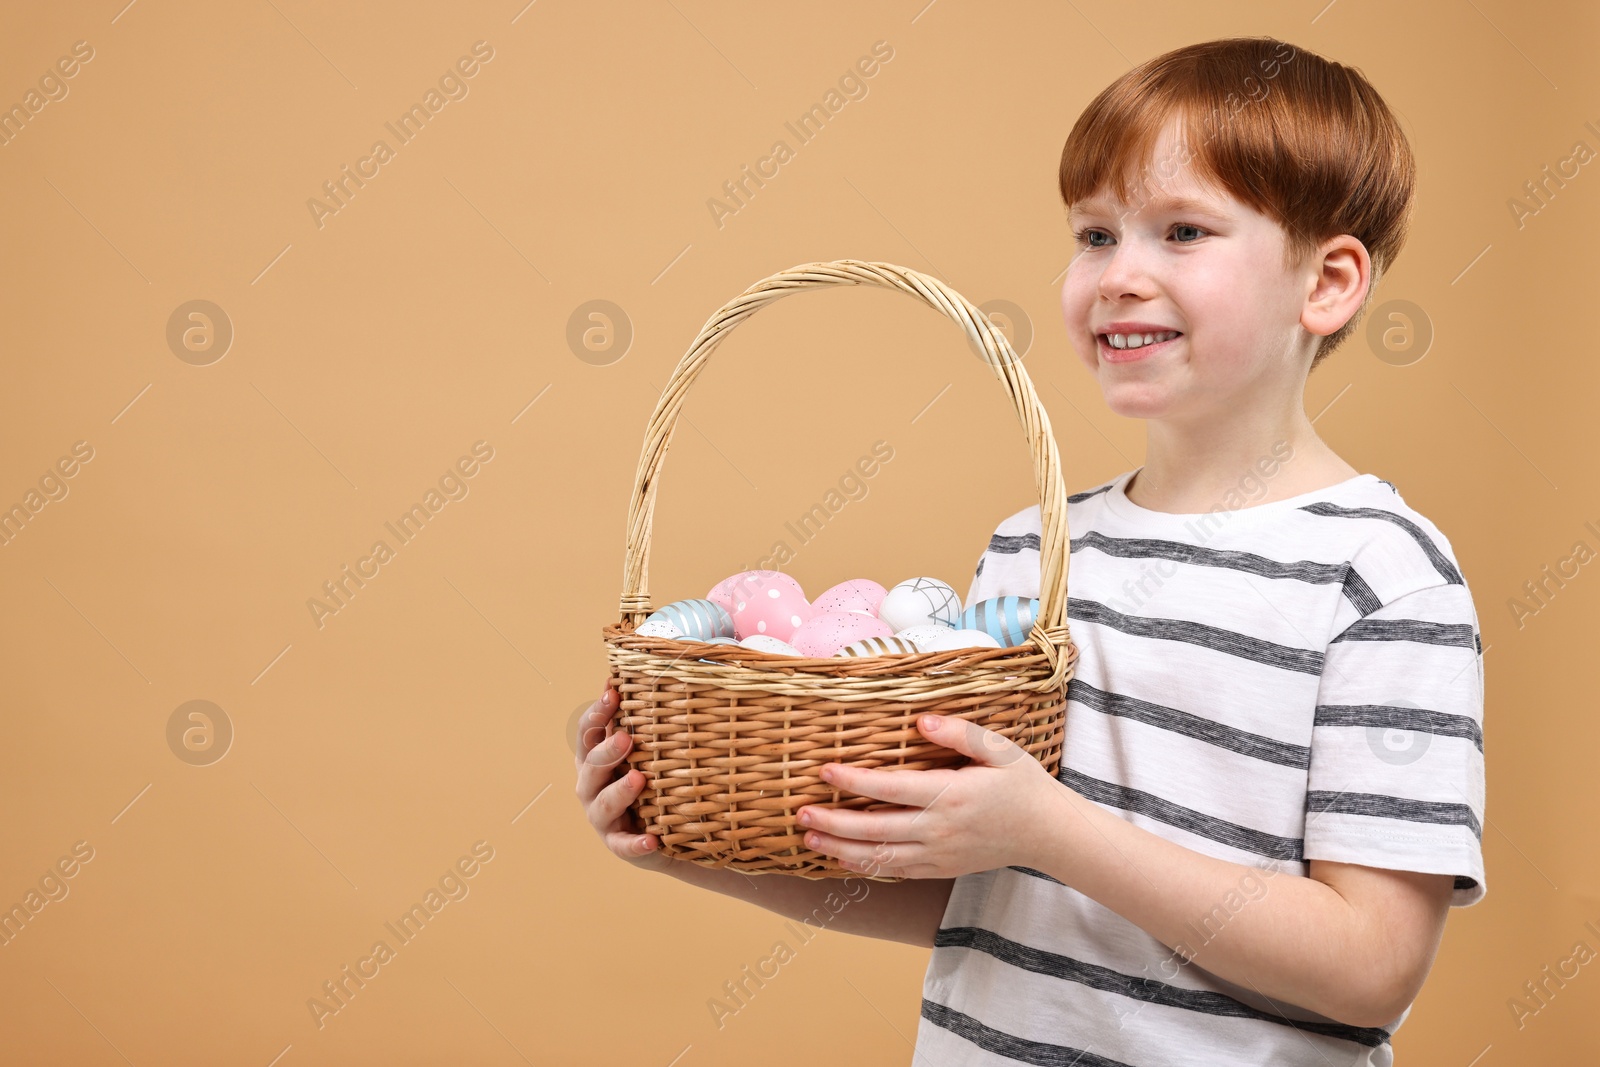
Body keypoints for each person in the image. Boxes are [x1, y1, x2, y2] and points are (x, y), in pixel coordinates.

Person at [577, 35, 1485, 1066]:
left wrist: (1050, 830)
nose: (1117, 276)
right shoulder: (1029, 555)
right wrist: (685, 840)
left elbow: (1371, 963)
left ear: (1325, 283)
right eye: (1094, 235)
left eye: (1181, 230)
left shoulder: (1379, 577)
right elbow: (983, 897)